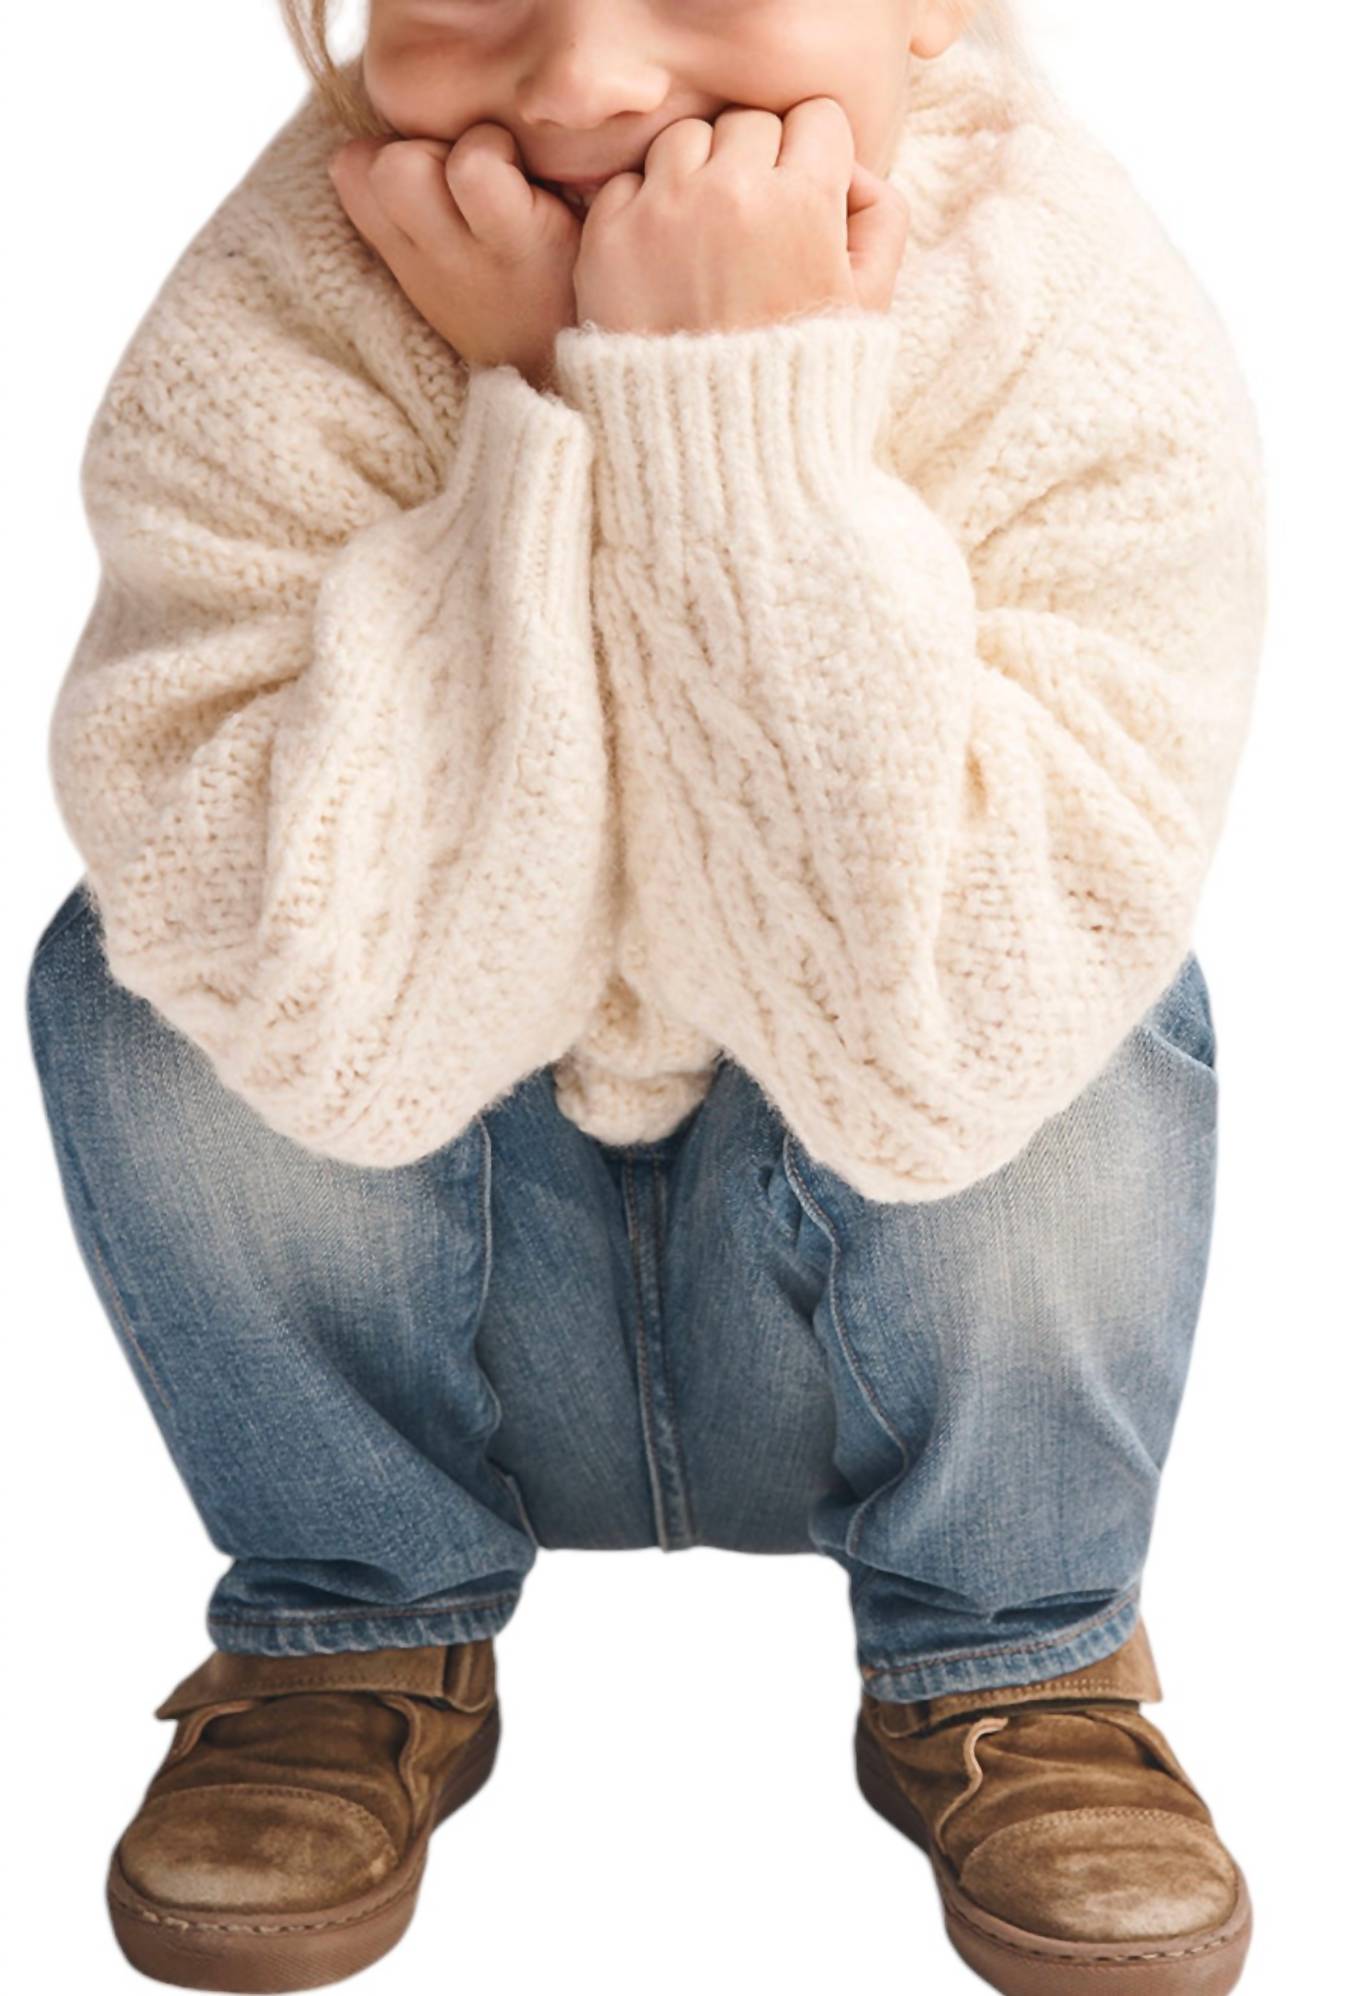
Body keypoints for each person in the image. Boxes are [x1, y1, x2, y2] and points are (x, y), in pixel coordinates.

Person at [25, 2, 1267, 1990]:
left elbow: (939, 1050)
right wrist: (539, 401)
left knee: (1065, 993)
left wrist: (725, 423)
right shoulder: (280, 313)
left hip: (872, 1318)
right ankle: (356, 1615)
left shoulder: (1069, 315)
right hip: (438, 1321)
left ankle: (1015, 1648)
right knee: (153, 973)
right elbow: (330, 1022)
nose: (589, 80)